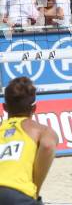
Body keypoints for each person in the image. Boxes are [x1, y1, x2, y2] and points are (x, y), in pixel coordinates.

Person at [0, 77, 58, 205]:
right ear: (34, 108)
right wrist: (35, 189)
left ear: (4, 107)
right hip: (17, 193)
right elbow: (48, 146)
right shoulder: (40, 130)